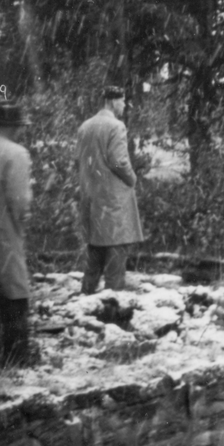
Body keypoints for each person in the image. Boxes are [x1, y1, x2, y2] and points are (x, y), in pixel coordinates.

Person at [0, 101, 36, 368]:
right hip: (3, 233)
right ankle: (15, 360)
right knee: (15, 296)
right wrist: (22, 221)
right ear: (13, 126)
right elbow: (19, 201)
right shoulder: (15, 153)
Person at [77, 85, 144, 293]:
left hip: (92, 199)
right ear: (113, 101)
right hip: (114, 202)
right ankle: (112, 302)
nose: (124, 106)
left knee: (94, 256)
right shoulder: (116, 126)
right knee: (116, 258)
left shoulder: (85, 127)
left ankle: (85, 299)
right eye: (122, 101)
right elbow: (118, 161)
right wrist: (132, 179)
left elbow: (80, 161)